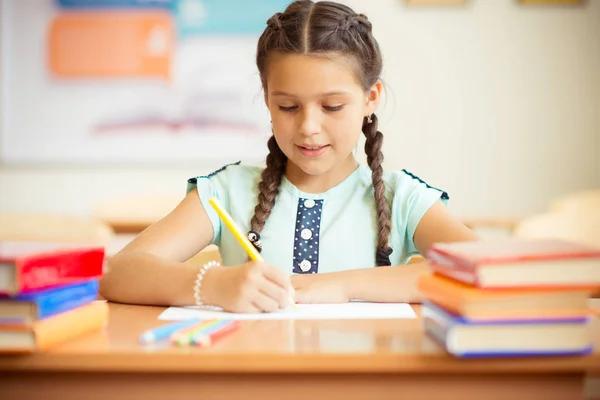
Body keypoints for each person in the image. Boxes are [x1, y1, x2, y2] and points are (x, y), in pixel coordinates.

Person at [100, 0, 477, 313]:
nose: (309, 126)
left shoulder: (403, 198)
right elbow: (117, 272)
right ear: (267, 99)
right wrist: (213, 285)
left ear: (370, 98)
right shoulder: (227, 191)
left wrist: (341, 286)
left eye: (331, 106)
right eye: (288, 106)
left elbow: (481, 269)